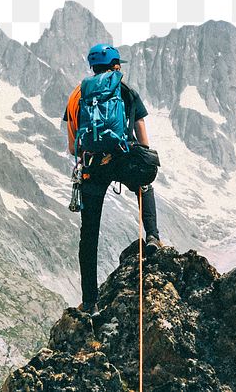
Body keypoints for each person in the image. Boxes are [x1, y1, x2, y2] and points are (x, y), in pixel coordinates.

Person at [63, 43, 163, 316]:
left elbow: (73, 147)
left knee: (89, 235)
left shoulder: (77, 95)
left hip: (92, 169)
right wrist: (141, 156)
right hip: (122, 159)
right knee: (144, 185)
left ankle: (90, 302)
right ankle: (153, 237)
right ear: (115, 65)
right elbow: (141, 129)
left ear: (92, 66)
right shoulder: (125, 90)